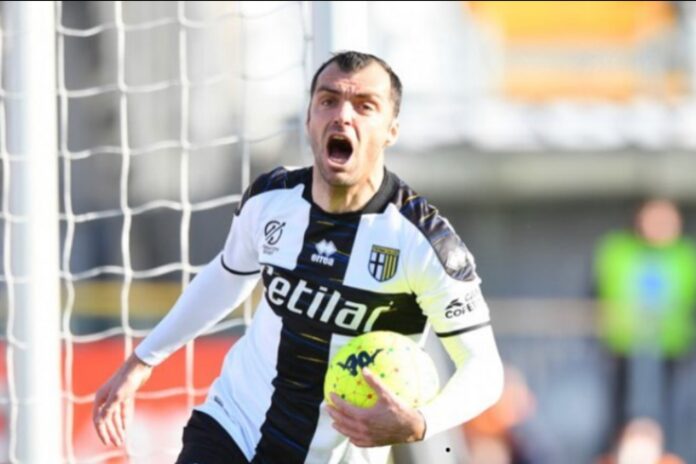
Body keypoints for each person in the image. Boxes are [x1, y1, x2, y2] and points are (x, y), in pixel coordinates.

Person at [92, 51, 504, 464]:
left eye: (365, 106)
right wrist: (143, 360)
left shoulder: (424, 243)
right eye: (328, 101)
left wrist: (420, 422)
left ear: (390, 130)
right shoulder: (270, 199)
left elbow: (484, 371)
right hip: (233, 426)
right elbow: (227, 277)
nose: (343, 116)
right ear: (309, 119)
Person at [594, 199, 696, 450]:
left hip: (675, 348)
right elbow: (597, 292)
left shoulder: (685, 254)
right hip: (625, 347)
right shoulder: (618, 249)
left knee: (674, 415)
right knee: (624, 414)